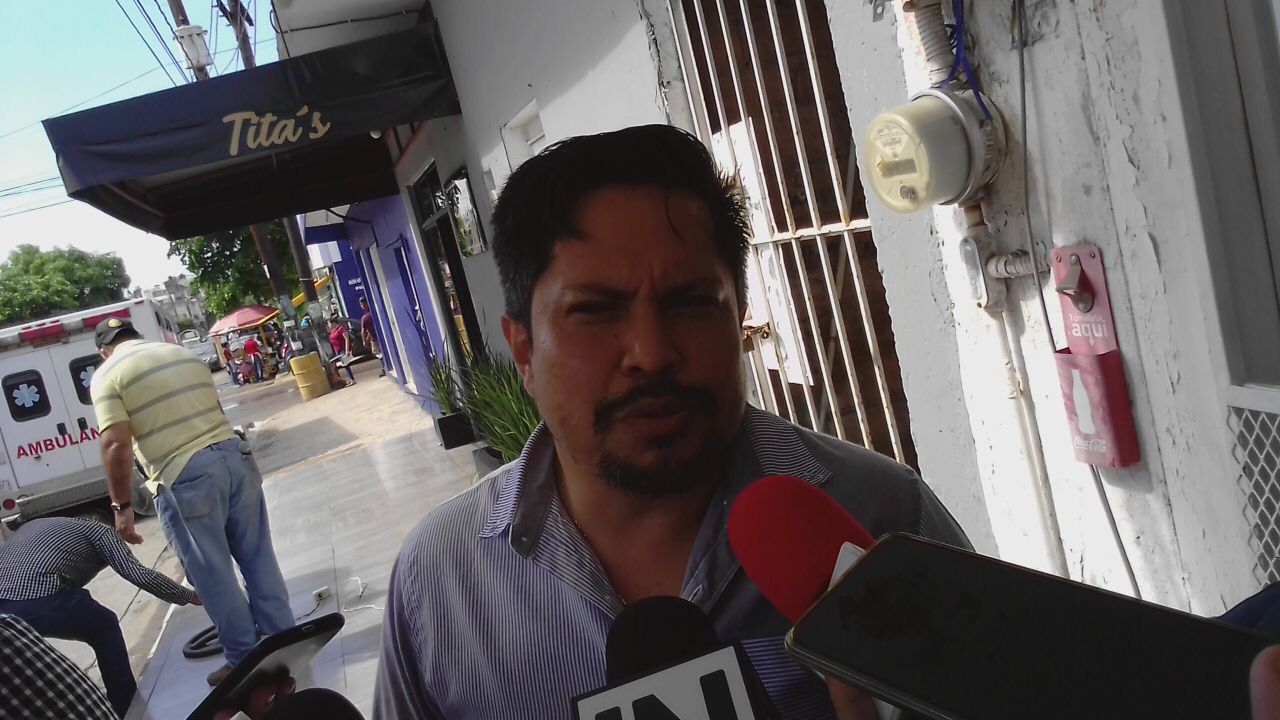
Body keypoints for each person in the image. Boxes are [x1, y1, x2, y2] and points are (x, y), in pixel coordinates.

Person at [372, 125, 969, 719]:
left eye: (690, 302)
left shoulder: (887, 519)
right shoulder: (438, 582)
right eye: (595, 311)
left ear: (739, 318)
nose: (652, 353)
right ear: (524, 350)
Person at [90, 316, 294, 687]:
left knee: (213, 574)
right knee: (258, 556)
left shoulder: (108, 375)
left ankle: (244, 660)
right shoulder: (181, 354)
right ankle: (284, 641)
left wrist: (121, 506)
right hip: (235, 457)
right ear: (136, 335)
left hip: (184, 474)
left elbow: (116, 443)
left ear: (105, 349)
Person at [0, 516, 201, 715]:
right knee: (104, 626)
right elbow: (138, 574)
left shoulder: (38, 525)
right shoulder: (101, 532)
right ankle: (126, 707)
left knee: (20, 664)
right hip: (38, 597)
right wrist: (190, 596)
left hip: (4, 610)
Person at [0, 614, 118, 719]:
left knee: (103, 622)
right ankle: (124, 703)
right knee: (103, 622)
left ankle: (124, 703)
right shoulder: (9, 626)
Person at [359, 297, 385, 377]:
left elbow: (363, 330)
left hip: (375, 338)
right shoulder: (375, 312)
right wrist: (368, 337)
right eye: (361, 304)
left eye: (363, 304)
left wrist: (364, 341)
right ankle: (385, 367)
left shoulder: (365, 317)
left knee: (378, 352)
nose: (362, 306)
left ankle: (385, 367)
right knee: (382, 352)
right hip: (379, 336)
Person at [328, 315, 356, 385]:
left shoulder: (341, 329)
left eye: (329, 324)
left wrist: (347, 350)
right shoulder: (333, 331)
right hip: (337, 350)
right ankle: (345, 380)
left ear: (334, 323)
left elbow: (346, 339)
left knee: (346, 365)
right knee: (342, 365)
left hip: (342, 349)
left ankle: (352, 379)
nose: (328, 326)